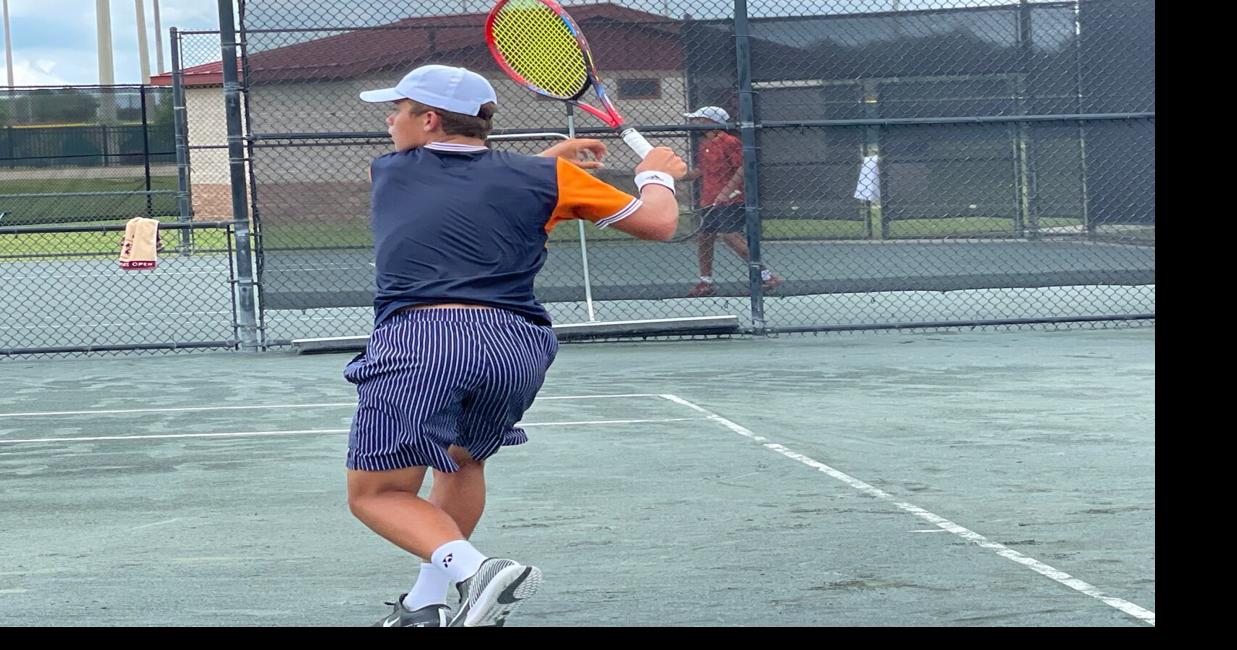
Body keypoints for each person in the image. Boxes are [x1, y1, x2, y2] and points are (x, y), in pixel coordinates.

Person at [345, 64, 687, 627]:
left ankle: (475, 570)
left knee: (377, 492)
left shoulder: (392, 170)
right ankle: (424, 603)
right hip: (517, 346)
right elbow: (658, 221)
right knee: (462, 461)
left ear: (428, 121)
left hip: (426, 339)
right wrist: (655, 175)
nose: (389, 120)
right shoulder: (543, 179)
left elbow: (465, 183)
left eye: (399, 109)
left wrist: (549, 160)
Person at [681, 106, 782, 297]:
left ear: (713, 122)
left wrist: (726, 192)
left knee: (730, 236)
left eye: (700, 119)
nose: (695, 123)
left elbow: (743, 167)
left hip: (732, 198)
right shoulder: (704, 144)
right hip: (709, 200)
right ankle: (706, 283)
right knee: (705, 239)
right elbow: (701, 171)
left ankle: (767, 277)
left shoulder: (730, 142)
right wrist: (678, 176)